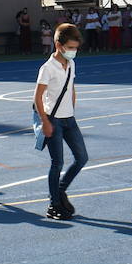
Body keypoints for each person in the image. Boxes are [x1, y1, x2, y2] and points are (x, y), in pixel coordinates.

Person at [35, 24, 87, 219]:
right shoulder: (47, 68)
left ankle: (60, 190)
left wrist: (72, 108)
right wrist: (45, 122)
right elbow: (37, 97)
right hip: (54, 120)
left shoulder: (71, 64)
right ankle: (53, 204)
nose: (73, 51)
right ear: (58, 45)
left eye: (75, 48)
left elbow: (71, 87)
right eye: (70, 47)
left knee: (82, 157)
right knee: (57, 163)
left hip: (69, 119)